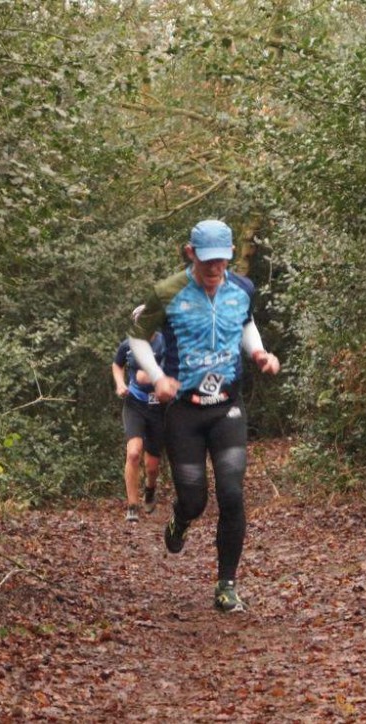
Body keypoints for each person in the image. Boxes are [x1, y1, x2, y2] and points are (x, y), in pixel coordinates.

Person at [127, 219, 280, 613]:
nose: (215, 269)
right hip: (183, 412)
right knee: (194, 500)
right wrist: (158, 377)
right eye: (207, 260)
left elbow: (246, 322)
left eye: (222, 261)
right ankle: (180, 519)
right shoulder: (168, 292)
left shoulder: (242, 288)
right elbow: (137, 337)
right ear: (190, 253)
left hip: (227, 406)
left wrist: (259, 352)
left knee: (232, 493)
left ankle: (226, 585)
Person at [112, 305, 166, 523]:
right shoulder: (128, 344)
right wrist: (120, 384)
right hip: (135, 403)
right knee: (133, 453)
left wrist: (153, 376)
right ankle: (132, 505)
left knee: (152, 466)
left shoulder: (165, 343)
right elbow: (117, 365)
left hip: (159, 407)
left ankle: (150, 490)